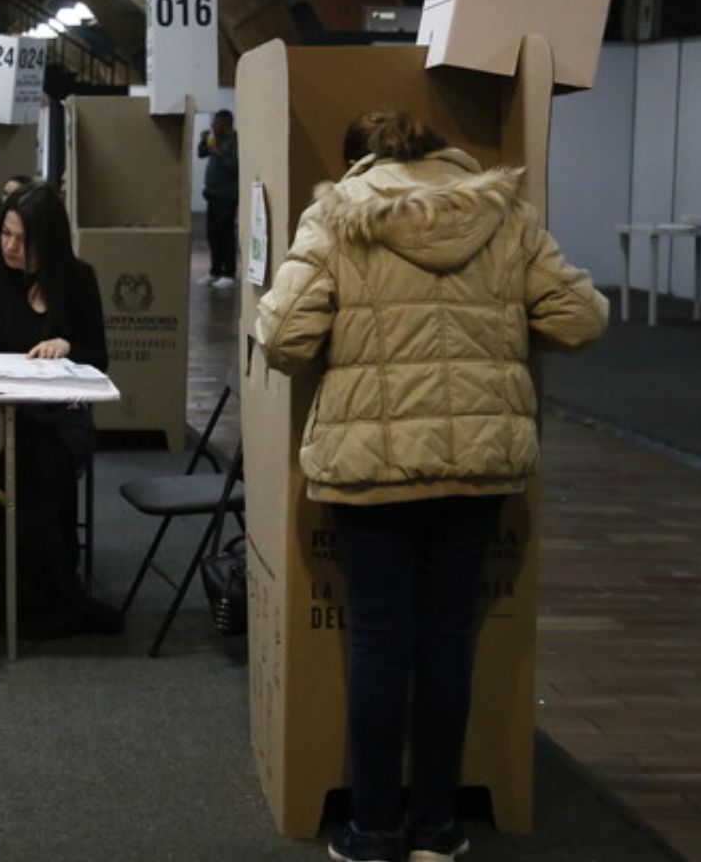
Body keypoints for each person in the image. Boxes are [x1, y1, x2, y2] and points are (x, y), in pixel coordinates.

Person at [253, 109, 606, 862]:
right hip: (480, 464)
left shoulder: (338, 216)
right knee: (449, 642)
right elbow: (582, 318)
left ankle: (374, 831)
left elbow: (283, 338)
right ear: (443, 151)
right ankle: (438, 831)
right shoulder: (505, 215)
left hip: (370, 467)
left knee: (381, 646)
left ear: (362, 160)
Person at [0, 184, 118, 638]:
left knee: (34, 460)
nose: (10, 246)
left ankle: (45, 590)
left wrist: (67, 346)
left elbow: (98, 356)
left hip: (55, 415)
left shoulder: (77, 278)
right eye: (5, 234)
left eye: (23, 240)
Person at [198, 109, 240, 290]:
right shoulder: (217, 140)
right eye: (213, 123)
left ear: (226, 123)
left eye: (217, 123)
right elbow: (201, 153)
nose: (214, 126)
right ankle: (214, 271)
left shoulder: (235, 142)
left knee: (225, 236)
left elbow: (235, 167)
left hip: (227, 196)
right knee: (213, 236)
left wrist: (217, 152)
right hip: (213, 195)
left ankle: (229, 273)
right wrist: (203, 142)